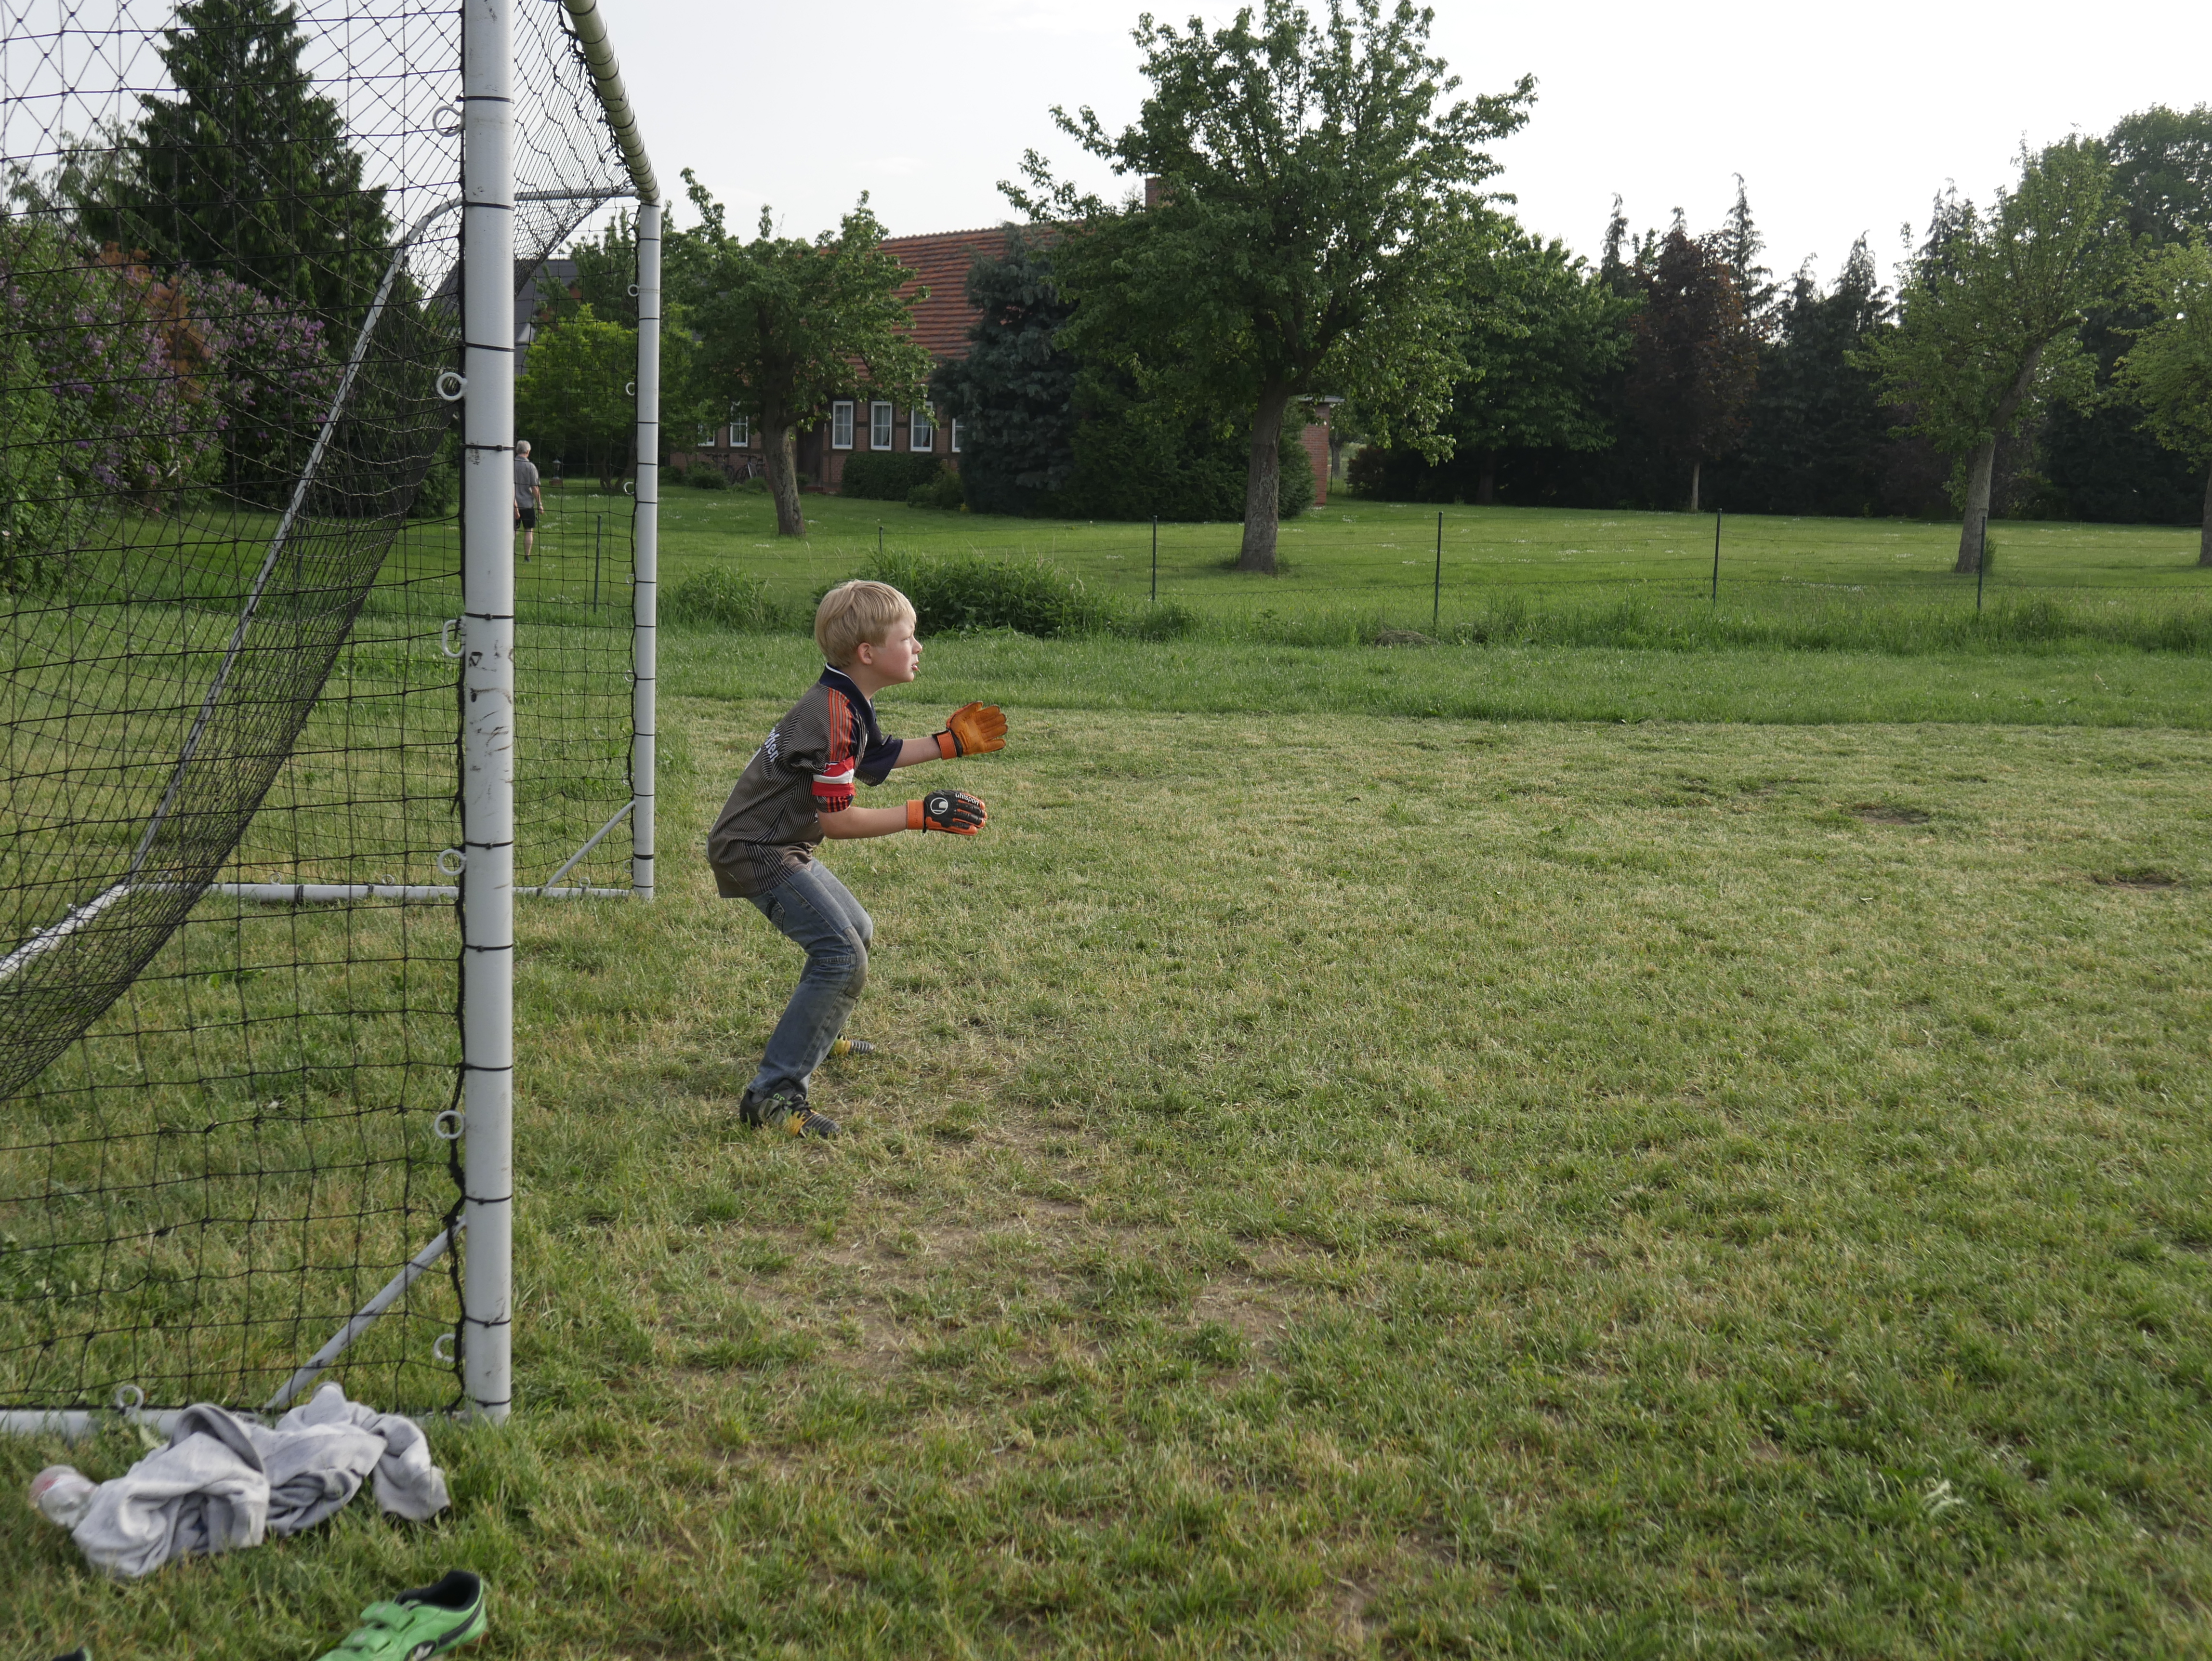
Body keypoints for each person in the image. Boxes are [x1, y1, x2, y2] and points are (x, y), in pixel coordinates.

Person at [707, 580, 1006, 1137]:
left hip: (774, 843)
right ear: (869, 652)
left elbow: (877, 758)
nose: (918, 647)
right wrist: (918, 814)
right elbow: (839, 822)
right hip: (755, 852)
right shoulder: (836, 715)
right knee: (840, 956)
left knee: (855, 932)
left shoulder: (843, 697)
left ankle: (815, 1032)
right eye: (908, 637)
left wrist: (950, 742)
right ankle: (772, 1095)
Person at [513, 440, 541, 562]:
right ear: (528, 452)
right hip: (527, 504)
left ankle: (509, 555)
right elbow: (535, 487)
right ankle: (527, 556)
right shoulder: (531, 467)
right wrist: (540, 504)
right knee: (529, 530)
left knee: (512, 530)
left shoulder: (509, 464)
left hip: (511, 503)